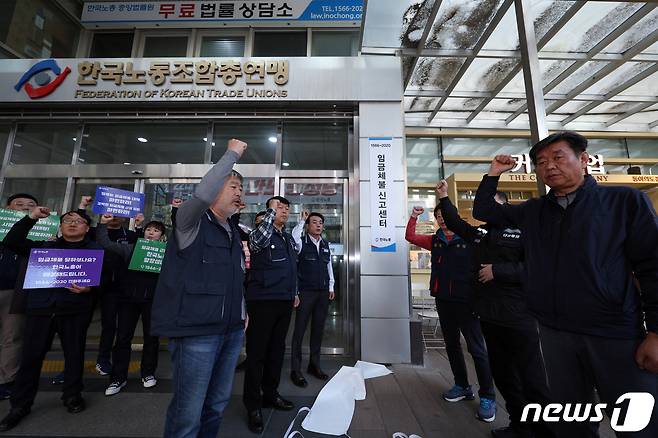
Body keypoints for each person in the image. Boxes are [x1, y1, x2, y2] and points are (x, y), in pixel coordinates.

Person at [473, 131, 658, 437]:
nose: (549, 167)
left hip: (614, 333)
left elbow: (652, 266)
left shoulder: (624, 202)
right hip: (553, 333)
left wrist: (655, 331)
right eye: (541, 162)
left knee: (637, 424)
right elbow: (485, 211)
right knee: (570, 423)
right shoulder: (535, 211)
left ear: (583, 160)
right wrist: (493, 173)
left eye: (558, 157)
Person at [435, 181, 553, 438]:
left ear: (505, 207)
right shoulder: (483, 233)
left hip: (519, 316)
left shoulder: (525, 232)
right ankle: (519, 426)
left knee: (532, 378)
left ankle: (543, 431)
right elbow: (457, 224)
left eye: (493, 206)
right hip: (488, 315)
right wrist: (444, 197)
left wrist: (497, 271)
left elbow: (540, 267)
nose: (488, 212)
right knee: (504, 375)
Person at [151, 139, 248, 438]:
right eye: (233, 186)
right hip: (197, 332)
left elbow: (234, 278)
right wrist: (232, 154)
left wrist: (243, 311)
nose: (239, 192)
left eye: (241, 189)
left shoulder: (233, 231)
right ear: (215, 188)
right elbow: (202, 192)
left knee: (216, 405)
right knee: (188, 412)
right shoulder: (189, 221)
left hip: (231, 331)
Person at [0, 209, 109, 431]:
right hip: (40, 309)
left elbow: (105, 280)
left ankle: (72, 395)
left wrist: (91, 288)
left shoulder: (95, 251)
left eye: (78, 221)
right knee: (31, 357)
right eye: (67, 220)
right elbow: (12, 241)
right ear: (60, 226)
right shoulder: (44, 247)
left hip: (74, 311)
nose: (72, 224)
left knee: (74, 354)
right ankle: (20, 405)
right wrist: (30, 217)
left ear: (87, 228)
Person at [406, 201, 496, 422]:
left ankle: (488, 397)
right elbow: (411, 237)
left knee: (477, 349)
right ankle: (462, 385)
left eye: (445, 214)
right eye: (438, 215)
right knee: (452, 345)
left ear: (454, 216)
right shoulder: (435, 240)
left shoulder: (472, 238)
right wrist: (414, 217)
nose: (442, 218)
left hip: (467, 302)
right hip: (443, 300)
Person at [244, 196, 300, 433]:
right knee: (257, 354)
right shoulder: (259, 233)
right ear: (268, 210)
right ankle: (253, 405)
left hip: (284, 301)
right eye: (279, 207)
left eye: (286, 208)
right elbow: (257, 242)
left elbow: (292, 267)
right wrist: (269, 213)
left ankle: (270, 394)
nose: (284, 211)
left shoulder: (286, 237)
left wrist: (294, 291)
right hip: (263, 301)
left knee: (276, 352)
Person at [95, 215, 166, 396]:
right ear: (144, 233)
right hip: (128, 300)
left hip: (153, 301)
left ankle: (148, 373)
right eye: (149, 229)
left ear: (162, 237)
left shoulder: (165, 253)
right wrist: (102, 224)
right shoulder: (130, 249)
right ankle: (118, 377)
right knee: (123, 338)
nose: (152, 233)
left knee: (152, 339)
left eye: (156, 230)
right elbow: (105, 243)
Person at [78, 195, 137, 376]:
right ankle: (70, 368)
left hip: (116, 287)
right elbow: (78, 226)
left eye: (120, 213)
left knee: (110, 325)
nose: (115, 215)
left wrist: (141, 227)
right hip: (89, 285)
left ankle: (103, 360)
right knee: (78, 327)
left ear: (127, 217)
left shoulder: (131, 235)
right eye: (111, 212)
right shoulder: (93, 232)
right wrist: (82, 207)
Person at [289, 211, 335, 387]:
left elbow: (329, 265)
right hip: (305, 293)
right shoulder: (301, 242)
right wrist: (301, 221)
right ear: (308, 226)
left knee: (318, 330)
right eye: (314, 222)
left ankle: (314, 365)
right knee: (299, 331)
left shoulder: (324, 244)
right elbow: (294, 238)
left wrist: (331, 286)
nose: (318, 225)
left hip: (323, 293)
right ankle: (296, 370)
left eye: (320, 222)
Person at [0, 194, 37, 400]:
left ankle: (6, 380)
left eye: (30, 205)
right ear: (7, 208)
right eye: (20, 205)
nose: (25, 208)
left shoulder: (39, 230)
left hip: (17, 291)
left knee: (12, 337)